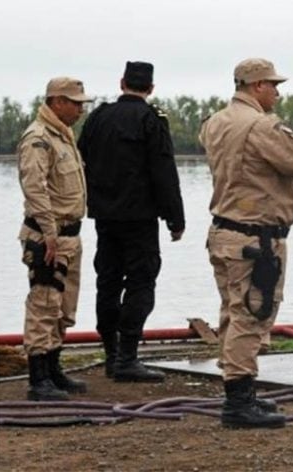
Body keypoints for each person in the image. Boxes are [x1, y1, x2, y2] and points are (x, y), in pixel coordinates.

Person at [200, 58, 293, 429]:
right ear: (256, 87)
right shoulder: (259, 126)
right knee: (252, 315)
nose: (277, 92)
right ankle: (238, 403)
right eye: (272, 85)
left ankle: (240, 390)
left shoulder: (215, 122)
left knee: (233, 312)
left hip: (225, 233)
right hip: (255, 239)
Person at [78, 61, 185, 383]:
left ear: (121, 82)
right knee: (141, 282)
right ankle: (127, 357)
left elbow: (80, 158)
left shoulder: (98, 116)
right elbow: (164, 171)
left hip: (104, 216)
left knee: (107, 282)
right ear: (150, 89)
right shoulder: (151, 119)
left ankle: (112, 355)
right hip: (140, 218)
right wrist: (175, 219)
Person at [17, 77, 95, 401]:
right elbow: (35, 188)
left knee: (62, 307)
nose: (80, 109)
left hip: (69, 237)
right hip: (49, 236)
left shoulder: (64, 136)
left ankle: (53, 368)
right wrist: (48, 232)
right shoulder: (38, 138)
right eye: (76, 103)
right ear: (57, 102)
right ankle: (38, 379)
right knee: (44, 303)